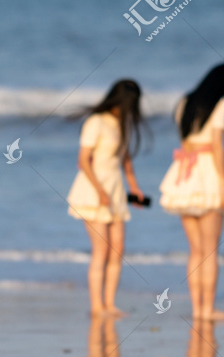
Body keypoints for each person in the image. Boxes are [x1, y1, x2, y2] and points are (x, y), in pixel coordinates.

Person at [160, 63, 224, 321]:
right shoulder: (220, 105)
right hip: (206, 173)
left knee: (195, 250)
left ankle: (197, 309)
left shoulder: (184, 102)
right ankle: (208, 309)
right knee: (210, 250)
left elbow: (184, 141)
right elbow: (217, 147)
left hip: (183, 173)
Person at [66, 79, 148, 317]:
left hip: (116, 190)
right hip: (93, 189)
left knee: (118, 250)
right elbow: (83, 160)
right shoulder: (96, 122)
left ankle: (110, 303)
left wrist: (134, 188)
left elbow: (125, 159)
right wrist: (100, 191)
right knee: (101, 250)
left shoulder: (121, 124)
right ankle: (96, 306)